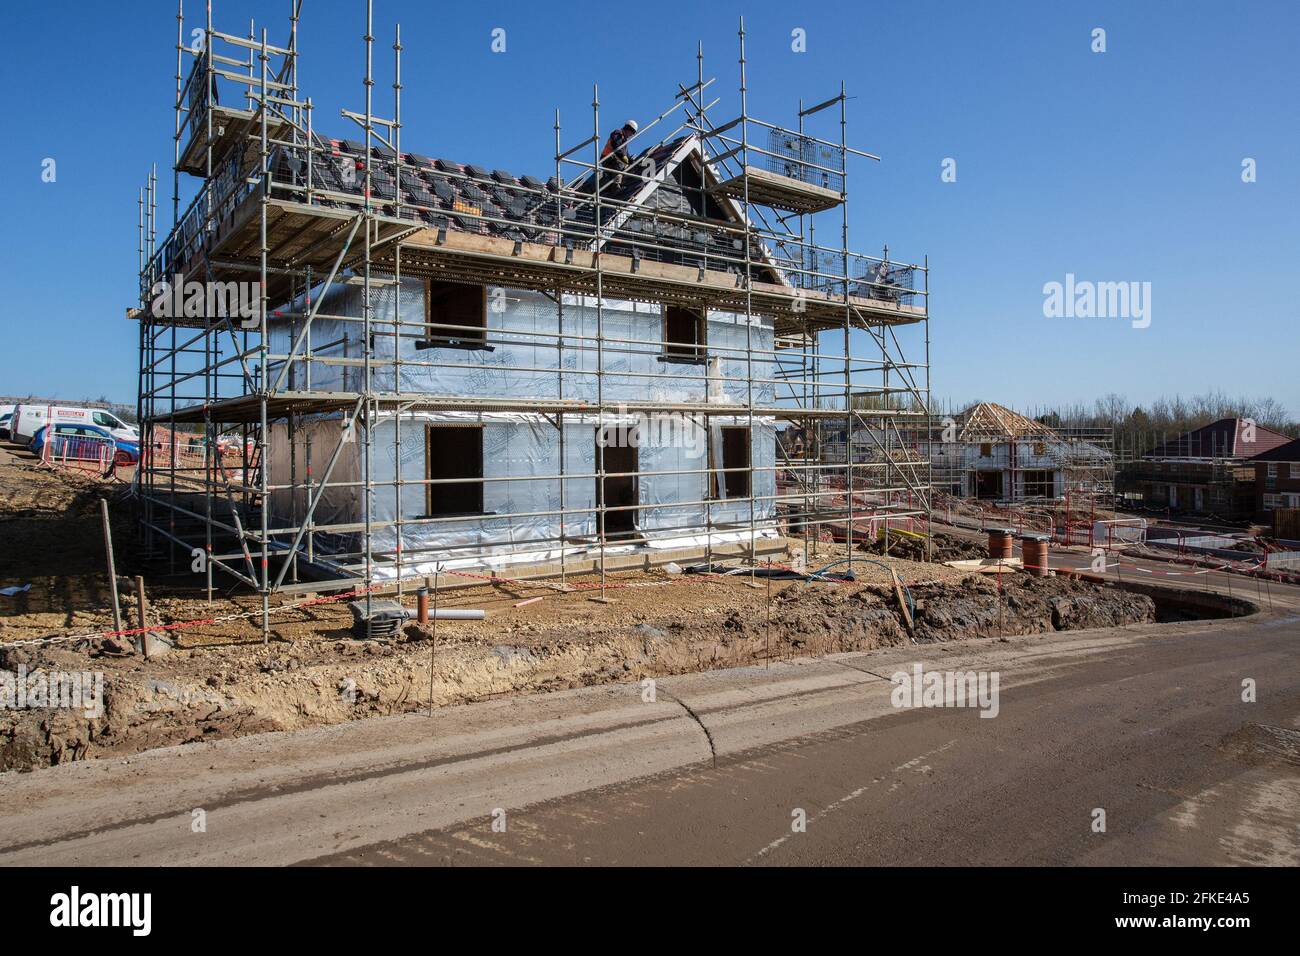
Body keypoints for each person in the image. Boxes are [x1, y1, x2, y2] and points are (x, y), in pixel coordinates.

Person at [599, 119, 639, 189]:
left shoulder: (624, 140)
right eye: (632, 132)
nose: (631, 135)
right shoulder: (618, 133)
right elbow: (616, 146)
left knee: (625, 167)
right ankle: (616, 187)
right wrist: (623, 157)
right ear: (628, 129)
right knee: (620, 166)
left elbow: (626, 154)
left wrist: (632, 161)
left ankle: (613, 185)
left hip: (612, 159)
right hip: (607, 158)